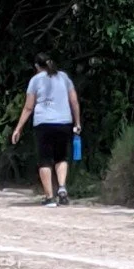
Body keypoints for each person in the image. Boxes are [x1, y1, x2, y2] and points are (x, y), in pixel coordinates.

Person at [11, 54, 80, 207]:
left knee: (45, 159)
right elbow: (74, 101)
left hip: (44, 123)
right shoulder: (64, 77)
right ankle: (62, 188)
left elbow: (29, 107)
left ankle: (49, 197)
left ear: (37, 66)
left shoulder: (35, 80)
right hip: (64, 122)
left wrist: (18, 128)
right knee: (61, 157)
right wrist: (78, 122)